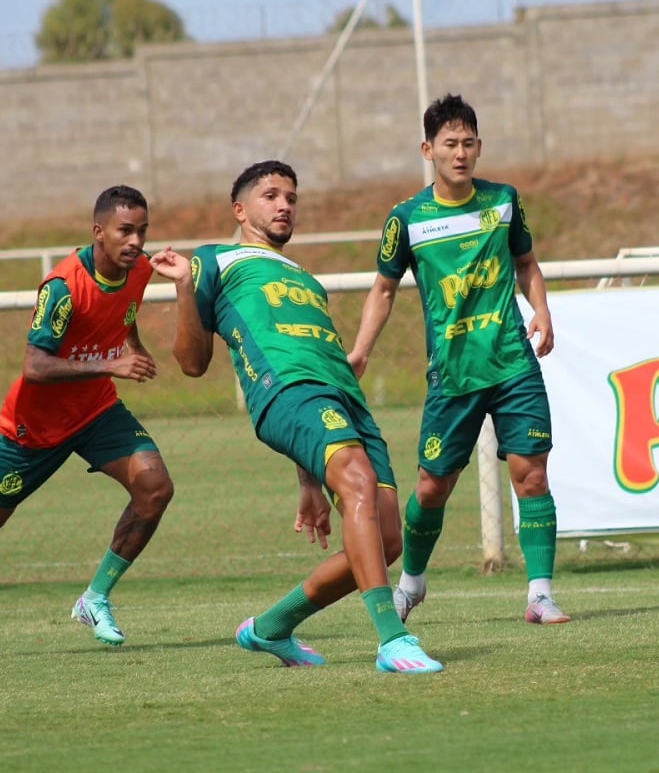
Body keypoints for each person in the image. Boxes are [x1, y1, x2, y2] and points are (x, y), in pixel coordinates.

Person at [148, 159, 443, 674]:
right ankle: (392, 639)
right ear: (239, 209)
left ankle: (270, 628)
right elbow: (191, 364)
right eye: (270, 195)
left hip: (343, 397)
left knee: (387, 537)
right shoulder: (213, 260)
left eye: (291, 196)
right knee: (357, 480)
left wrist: (307, 479)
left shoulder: (304, 277)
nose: (284, 204)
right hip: (285, 391)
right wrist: (182, 289)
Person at [0, 185, 176, 664]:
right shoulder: (62, 287)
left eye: (143, 230)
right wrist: (111, 366)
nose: (137, 241)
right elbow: (35, 367)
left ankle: (94, 598)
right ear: (98, 232)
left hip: (97, 411)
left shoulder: (138, 270)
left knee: (155, 487)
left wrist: (132, 345)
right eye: (126, 230)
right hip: (34, 429)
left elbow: (124, 314)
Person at [347, 93, 571, 626]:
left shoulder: (503, 201)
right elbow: (382, 290)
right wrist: (360, 351)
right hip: (452, 373)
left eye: (469, 142)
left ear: (479, 147)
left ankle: (540, 595)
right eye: (450, 143)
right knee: (431, 486)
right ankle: (412, 585)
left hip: (512, 362)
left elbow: (527, 263)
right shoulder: (406, 220)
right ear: (428, 149)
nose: (461, 152)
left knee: (531, 475)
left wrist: (540, 311)